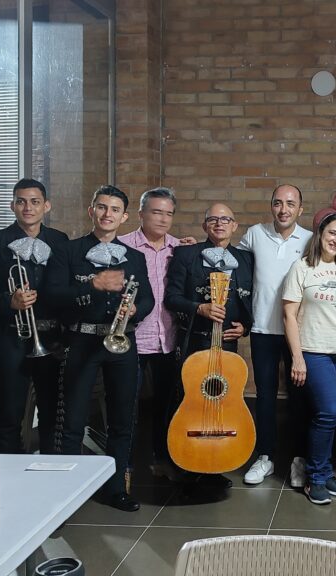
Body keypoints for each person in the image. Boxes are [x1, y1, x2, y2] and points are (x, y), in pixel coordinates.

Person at [45, 185, 154, 512]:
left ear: (123, 216)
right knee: (73, 422)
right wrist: (94, 285)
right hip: (82, 340)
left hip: (122, 342)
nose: (108, 214)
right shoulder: (69, 251)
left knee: (123, 420)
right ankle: (67, 496)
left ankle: (116, 487)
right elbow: (52, 296)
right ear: (92, 210)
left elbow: (147, 297)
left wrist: (137, 310)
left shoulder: (134, 256)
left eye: (115, 209)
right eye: (102, 207)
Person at [164, 202, 252, 488]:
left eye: (225, 219)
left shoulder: (246, 259)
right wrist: (198, 308)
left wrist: (246, 327)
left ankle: (216, 462)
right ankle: (186, 464)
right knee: (190, 402)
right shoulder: (187, 254)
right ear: (205, 226)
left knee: (223, 402)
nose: (219, 224)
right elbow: (171, 298)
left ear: (235, 225)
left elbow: (251, 298)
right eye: (213, 219)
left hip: (226, 344)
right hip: (194, 341)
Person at [0, 178, 69, 454]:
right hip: (11, 337)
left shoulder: (60, 240)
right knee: (9, 411)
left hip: (51, 339)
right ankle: (7, 472)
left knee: (50, 412)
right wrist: (9, 300)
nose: (27, 208)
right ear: (12, 205)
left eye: (34, 202)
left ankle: (49, 471)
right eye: (21, 201)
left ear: (46, 205)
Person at [118, 187, 195, 479]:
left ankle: (161, 458)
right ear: (141, 214)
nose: (163, 219)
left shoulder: (180, 249)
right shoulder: (123, 246)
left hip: (168, 338)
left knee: (167, 404)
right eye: (156, 212)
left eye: (168, 213)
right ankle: (124, 464)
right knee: (128, 405)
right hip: (132, 339)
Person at [282, 212, 336, 505]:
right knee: (326, 412)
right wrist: (297, 358)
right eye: (332, 233)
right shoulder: (302, 268)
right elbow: (289, 315)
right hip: (314, 352)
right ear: (320, 233)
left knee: (330, 416)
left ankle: (325, 472)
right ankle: (314, 478)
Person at [238, 184, 312, 487]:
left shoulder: (309, 240)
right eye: (278, 203)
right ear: (271, 206)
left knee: (300, 397)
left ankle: (298, 460)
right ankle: (265, 456)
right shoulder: (255, 234)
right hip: (263, 329)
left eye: (290, 204)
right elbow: (231, 262)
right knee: (265, 395)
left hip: (299, 331)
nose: (284, 209)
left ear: (300, 209)